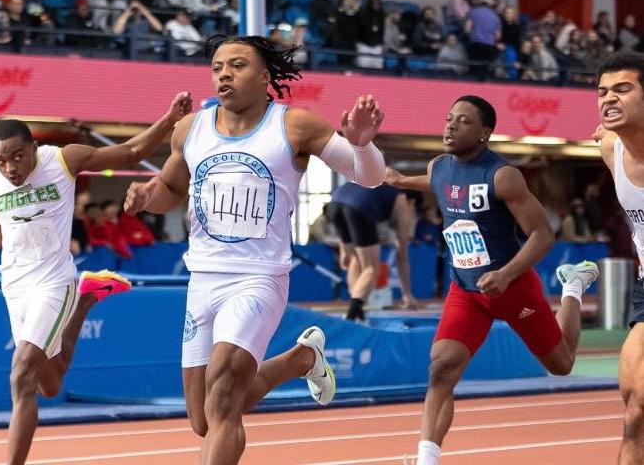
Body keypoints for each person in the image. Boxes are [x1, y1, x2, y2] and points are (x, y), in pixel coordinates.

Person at [124, 35, 388, 464]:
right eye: (217, 67)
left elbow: (369, 177)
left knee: (224, 394)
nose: (224, 74)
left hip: (258, 279)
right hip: (202, 280)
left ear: (265, 76)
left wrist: (361, 144)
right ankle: (299, 360)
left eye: (237, 65)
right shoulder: (190, 129)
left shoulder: (294, 126)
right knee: (203, 420)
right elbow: (170, 189)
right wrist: (144, 197)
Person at [0, 91, 192, 465]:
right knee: (49, 384)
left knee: (21, 374)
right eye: (1, 161)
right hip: (14, 285)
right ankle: (87, 299)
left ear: (34, 147)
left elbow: (129, 153)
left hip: (53, 280)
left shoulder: (63, 159)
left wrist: (168, 118)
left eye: (17, 157)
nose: (10, 168)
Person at [385, 95, 598, 465]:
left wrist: (506, 274)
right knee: (441, 369)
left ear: (485, 133)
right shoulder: (439, 167)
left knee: (561, 365)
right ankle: (427, 459)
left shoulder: (503, 176)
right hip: (466, 292)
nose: (450, 125)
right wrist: (401, 179)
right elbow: (439, 185)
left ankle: (572, 288)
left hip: (513, 288)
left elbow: (542, 235)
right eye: (449, 118)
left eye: (463, 121)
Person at [591, 51, 644, 464]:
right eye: (603, 92)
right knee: (634, 405)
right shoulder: (611, 149)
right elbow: (603, 135)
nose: (609, 99)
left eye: (623, 89)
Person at [327, 182, 417, 320]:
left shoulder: (385, 192)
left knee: (356, 259)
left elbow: (347, 202)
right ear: (412, 203)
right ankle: (354, 310)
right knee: (371, 268)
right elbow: (402, 254)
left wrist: (344, 248)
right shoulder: (403, 201)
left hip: (334, 204)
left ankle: (356, 300)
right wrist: (407, 294)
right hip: (359, 206)